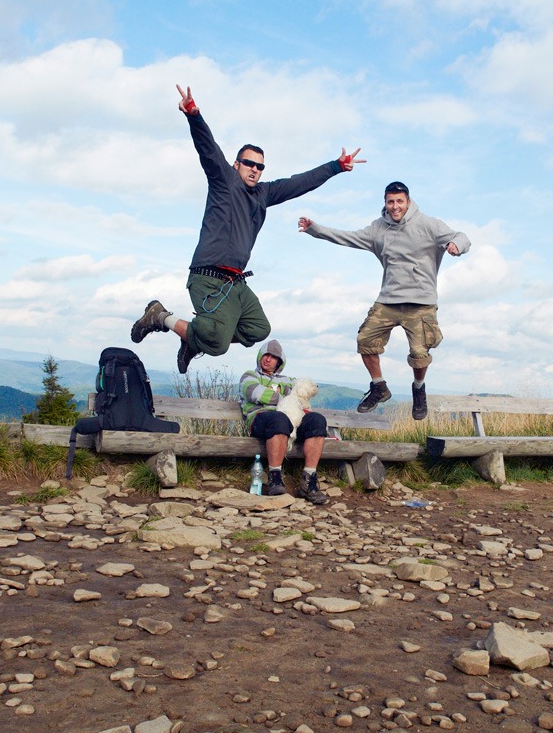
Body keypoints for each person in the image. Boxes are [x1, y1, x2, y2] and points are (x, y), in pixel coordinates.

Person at [131, 85, 365, 374]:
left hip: (236, 283)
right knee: (216, 345)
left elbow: (298, 183)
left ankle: (194, 339)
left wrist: (336, 166)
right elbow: (208, 150)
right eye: (249, 164)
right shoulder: (224, 182)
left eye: (260, 166)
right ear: (236, 164)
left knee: (258, 329)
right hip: (208, 277)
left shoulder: (264, 194)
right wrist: (194, 115)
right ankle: (161, 316)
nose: (255, 169)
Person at [298, 181, 470, 420]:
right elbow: (348, 237)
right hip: (388, 300)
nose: (395, 206)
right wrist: (315, 229)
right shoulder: (378, 229)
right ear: (385, 203)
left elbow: (462, 237)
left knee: (420, 355)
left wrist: (455, 245)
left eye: (400, 201)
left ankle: (418, 389)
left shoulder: (429, 225)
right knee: (365, 339)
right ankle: (379, 387)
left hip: (421, 302)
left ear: (408, 202)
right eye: (391, 202)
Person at [239, 339, 329, 505]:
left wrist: (291, 399)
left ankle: (308, 480)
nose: (268, 359)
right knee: (279, 419)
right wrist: (286, 398)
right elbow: (257, 394)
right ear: (260, 356)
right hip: (261, 419)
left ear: (279, 362)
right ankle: (275, 478)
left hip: (290, 421)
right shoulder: (249, 376)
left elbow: (303, 392)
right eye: (266, 354)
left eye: (273, 357)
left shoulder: (287, 380)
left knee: (317, 420)